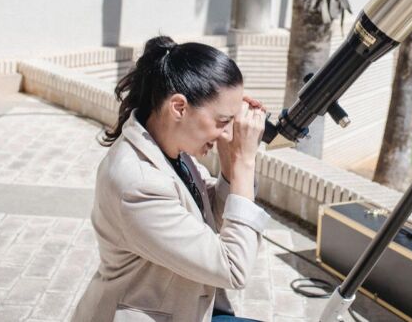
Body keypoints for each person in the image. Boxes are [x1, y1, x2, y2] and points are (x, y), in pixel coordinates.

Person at [72, 37, 269, 322]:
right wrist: (244, 163)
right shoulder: (138, 184)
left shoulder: (168, 148)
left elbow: (213, 219)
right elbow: (233, 268)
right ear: (178, 107)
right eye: (222, 121)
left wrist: (229, 159)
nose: (228, 132)